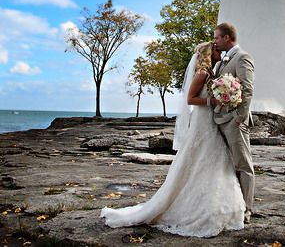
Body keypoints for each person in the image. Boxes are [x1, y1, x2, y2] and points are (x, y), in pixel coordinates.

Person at [101, 41, 245, 237]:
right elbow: (190, 99)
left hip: (210, 122)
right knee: (203, 158)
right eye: (218, 50)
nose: (221, 53)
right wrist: (211, 100)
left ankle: (222, 206)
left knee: (213, 159)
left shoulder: (212, 72)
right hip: (202, 123)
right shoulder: (202, 74)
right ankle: (198, 207)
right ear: (210, 53)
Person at [213, 23, 255, 224]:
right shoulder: (222, 61)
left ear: (227, 38)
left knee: (243, 165)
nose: (215, 41)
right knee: (228, 165)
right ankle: (233, 205)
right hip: (220, 120)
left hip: (234, 122)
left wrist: (240, 118)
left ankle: (246, 210)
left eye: (217, 38)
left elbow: (247, 89)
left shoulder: (242, 57)